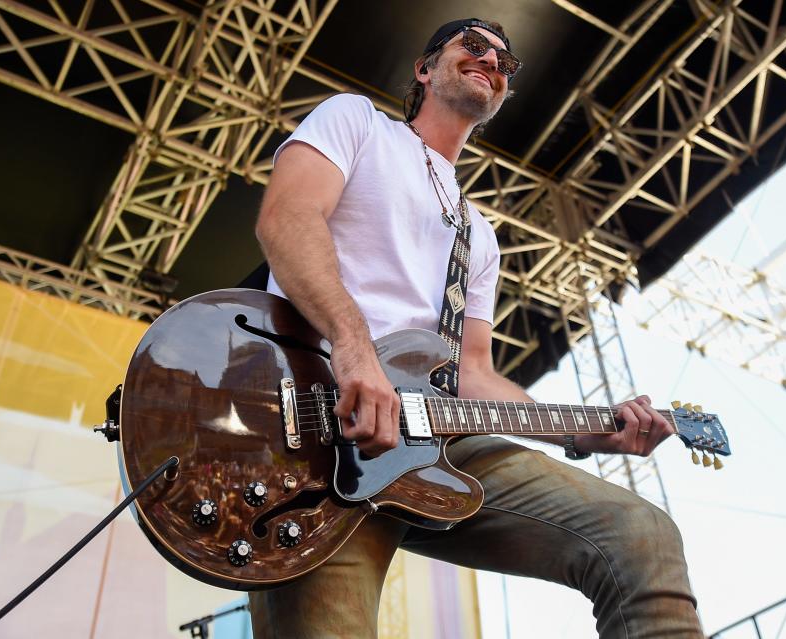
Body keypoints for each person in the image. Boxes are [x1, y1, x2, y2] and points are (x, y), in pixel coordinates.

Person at [252, 18, 704, 638]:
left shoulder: (478, 236)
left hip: (434, 438)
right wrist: (354, 350)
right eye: (474, 45)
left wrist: (584, 430)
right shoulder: (355, 121)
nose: (491, 60)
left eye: (505, 62)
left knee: (641, 534)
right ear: (425, 68)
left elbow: (473, 373)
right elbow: (287, 218)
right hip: (313, 431)